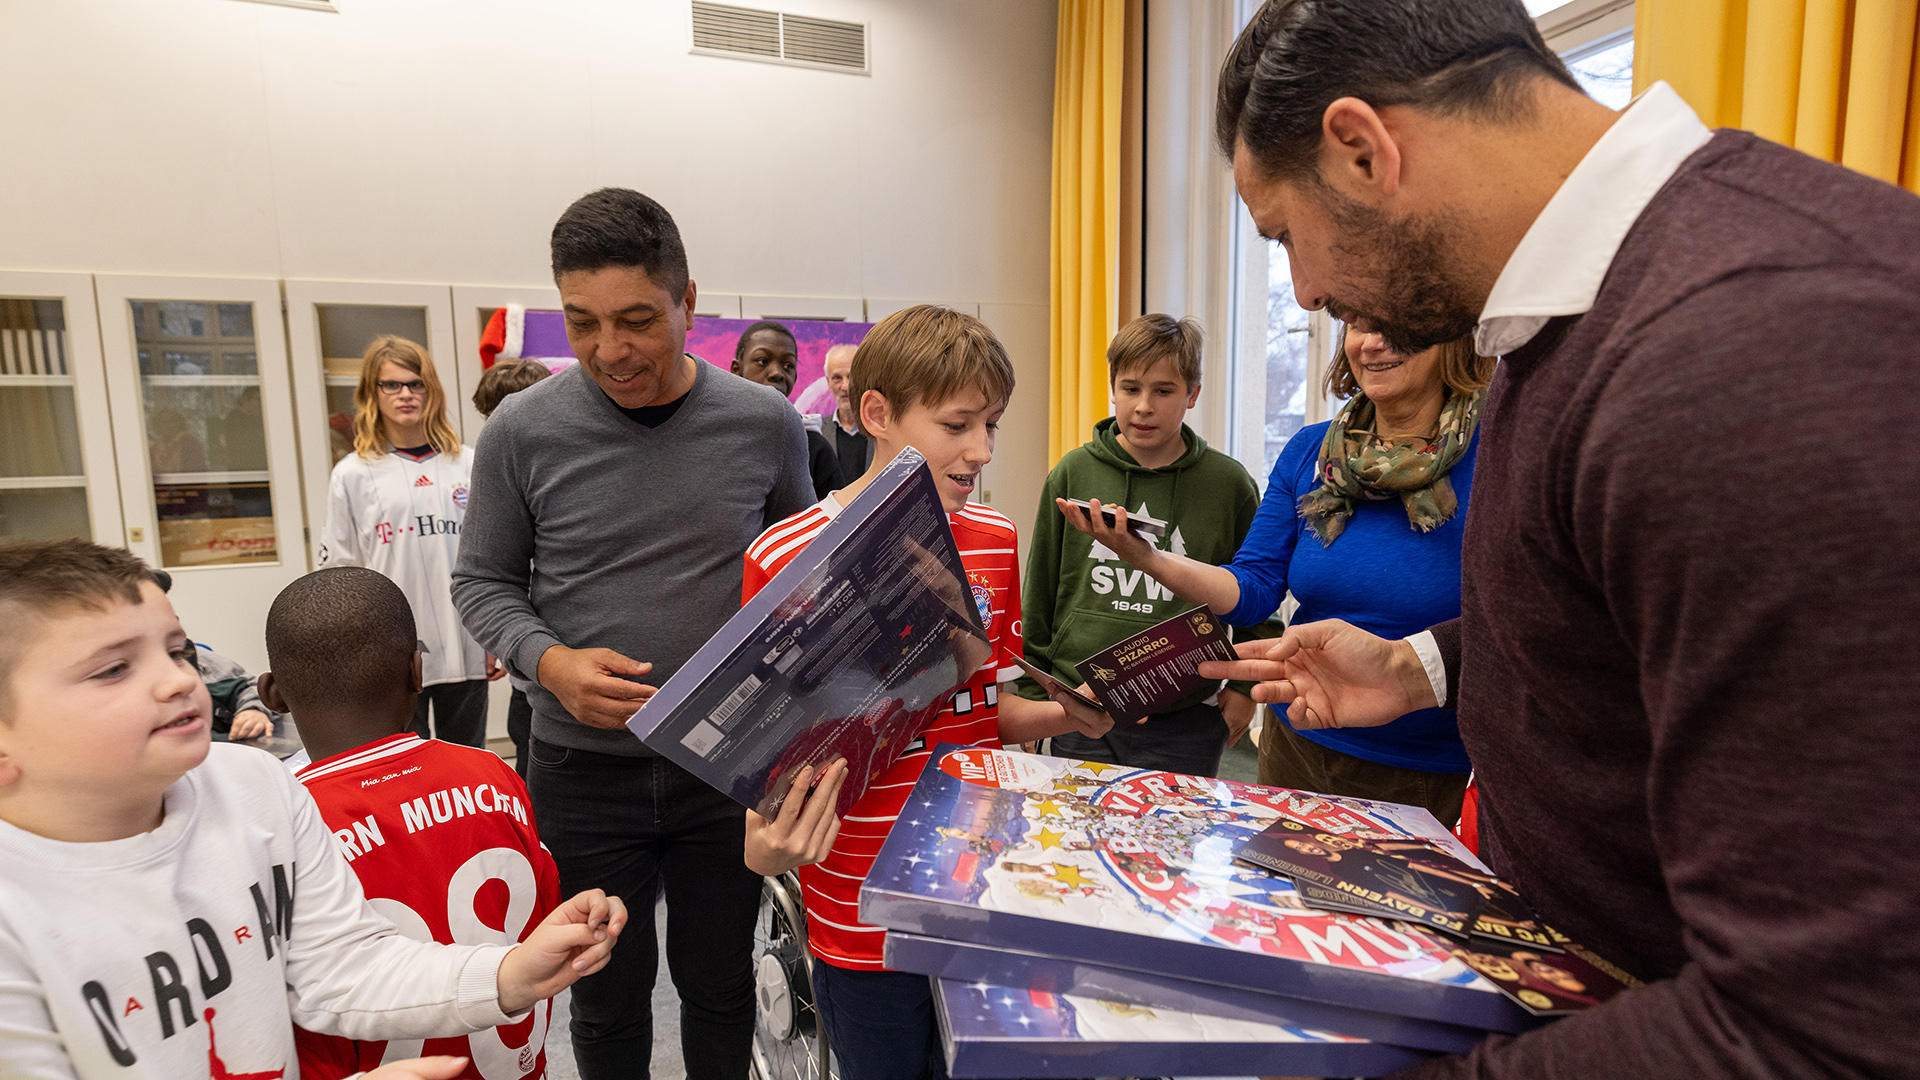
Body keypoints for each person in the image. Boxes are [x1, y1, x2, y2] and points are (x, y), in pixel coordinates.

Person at [1202, 1, 1920, 1076]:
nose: (1306, 292)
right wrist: (1421, 663)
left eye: (1284, 238)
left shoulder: (1759, 348)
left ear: (1362, 150)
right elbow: (1644, 620)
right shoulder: (1571, 327)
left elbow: (1822, 1028)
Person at [0, 539, 626, 1080]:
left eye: (178, 650)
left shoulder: (256, 786)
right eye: (113, 669)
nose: (176, 681)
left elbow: (341, 965)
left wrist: (508, 972)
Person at [452, 188, 814, 1080]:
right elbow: (482, 581)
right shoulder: (521, 431)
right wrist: (551, 662)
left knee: (721, 985)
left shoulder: (764, 424)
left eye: (637, 321)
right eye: (582, 323)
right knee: (605, 1002)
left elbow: (800, 575)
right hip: (581, 771)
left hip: (722, 764)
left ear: (690, 303)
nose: (609, 351)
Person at [739, 305, 1113, 1080]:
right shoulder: (784, 555)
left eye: (993, 425)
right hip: (856, 899)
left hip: (981, 882)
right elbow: (769, 756)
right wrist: (763, 840)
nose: (980, 450)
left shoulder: (996, 538)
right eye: (957, 425)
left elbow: (981, 713)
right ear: (876, 413)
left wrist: (1064, 715)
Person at [1064, 324, 1487, 820]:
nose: (1371, 342)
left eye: (1395, 325)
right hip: (1298, 739)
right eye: (1358, 324)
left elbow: (1519, 621)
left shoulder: (1495, 453)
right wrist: (1148, 558)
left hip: (1428, 765)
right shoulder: (1311, 450)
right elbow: (1254, 588)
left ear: (1452, 335)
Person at [256, 567, 564, 1080]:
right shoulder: (493, 773)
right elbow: (544, 907)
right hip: (515, 1060)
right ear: (417, 672)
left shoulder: (284, 822)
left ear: (272, 694)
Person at [1022, 313, 1266, 778]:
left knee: (1173, 843)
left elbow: (1258, 594)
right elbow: (1039, 595)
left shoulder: (1229, 485)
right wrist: (1036, 701)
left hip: (1185, 717)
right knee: (1076, 840)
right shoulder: (1073, 473)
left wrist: (1243, 688)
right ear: (1113, 388)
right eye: (1130, 388)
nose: (1143, 406)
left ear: (1192, 394)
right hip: (1080, 703)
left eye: (1164, 390)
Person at [319, 335, 504, 748]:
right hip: (392, 651)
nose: (406, 394)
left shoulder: (470, 463)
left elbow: (497, 559)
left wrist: (497, 636)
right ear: (372, 392)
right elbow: (340, 573)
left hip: (466, 643)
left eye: (415, 383)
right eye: (392, 385)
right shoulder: (353, 473)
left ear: (431, 390)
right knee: (406, 768)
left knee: (467, 762)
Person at [469, 359, 554, 778]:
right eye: (490, 415)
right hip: (527, 663)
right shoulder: (490, 470)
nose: (499, 425)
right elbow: (486, 578)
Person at [733, 320, 843, 498]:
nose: (777, 373)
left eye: (788, 366)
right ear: (737, 370)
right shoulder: (717, 436)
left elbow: (838, 520)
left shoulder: (814, 447)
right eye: (762, 361)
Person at [813, 342, 872, 477]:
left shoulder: (882, 431)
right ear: (828, 382)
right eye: (837, 378)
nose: (845, 386)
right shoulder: (817, 433)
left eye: (851, 376)